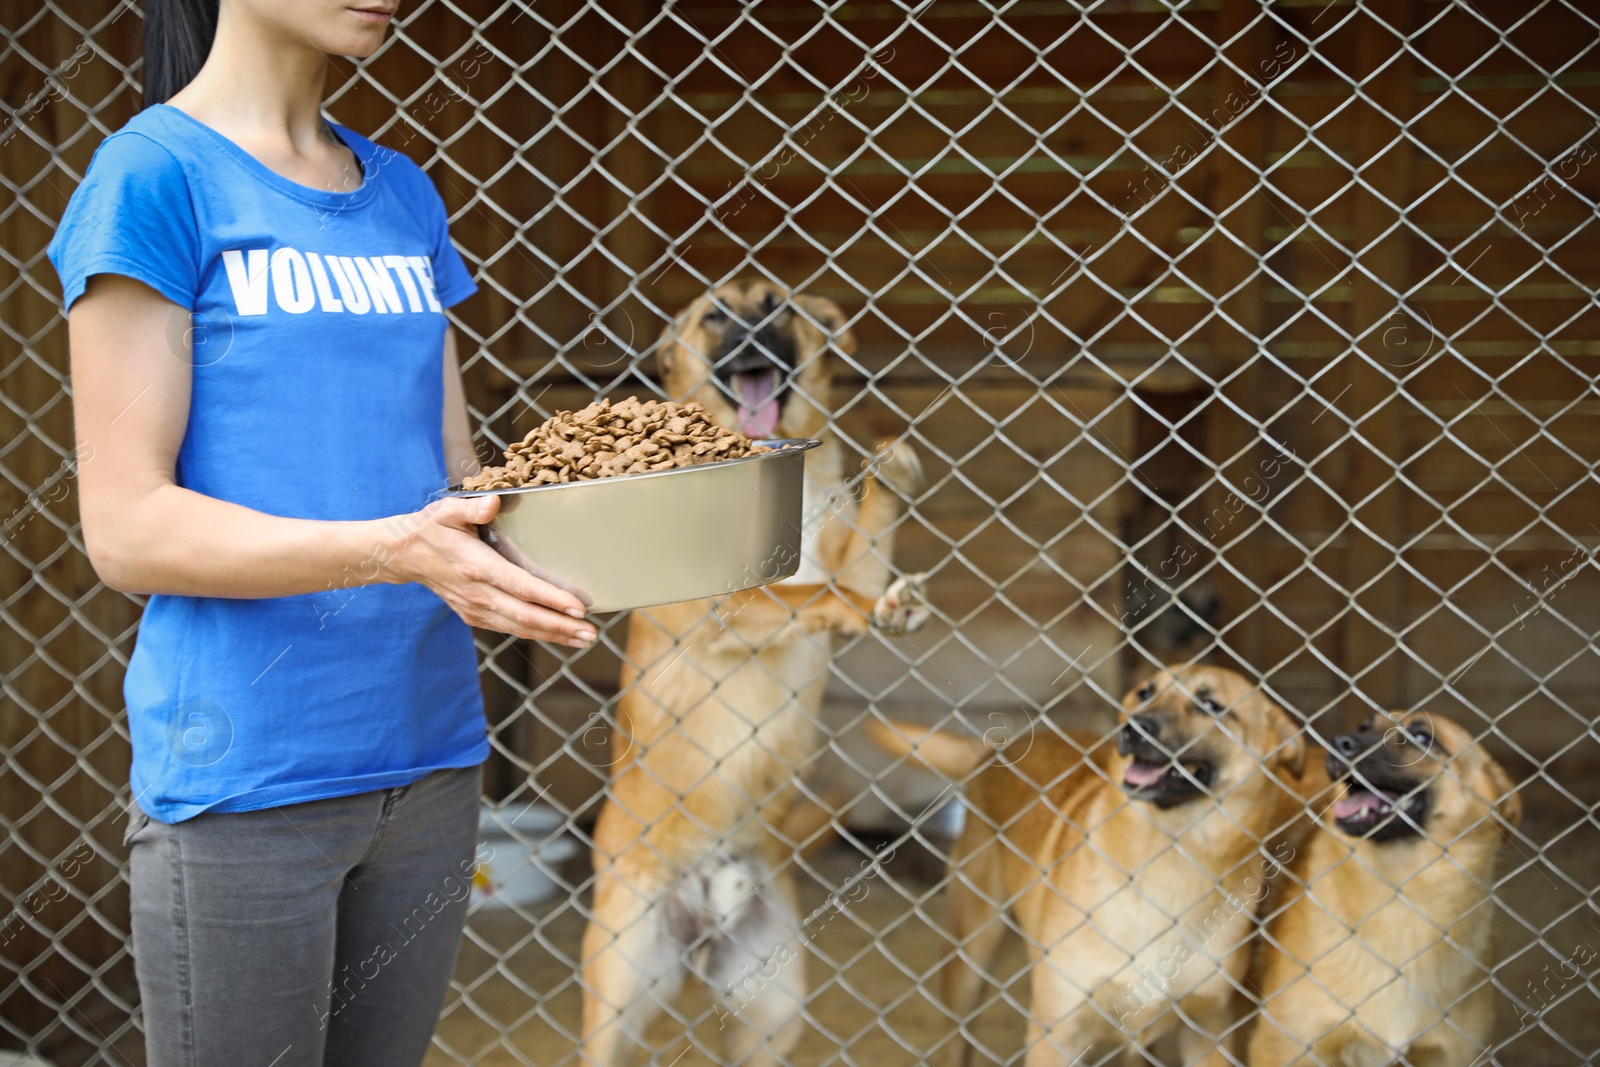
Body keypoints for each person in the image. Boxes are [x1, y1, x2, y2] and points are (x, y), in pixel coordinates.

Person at [48, 1, 595, 1063]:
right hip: (250, 774)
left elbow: (455, 482)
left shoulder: (403, 192)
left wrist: (624, 531)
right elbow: (126, 527)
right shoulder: (154, 176)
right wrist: (393, 549)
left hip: (432, 761)